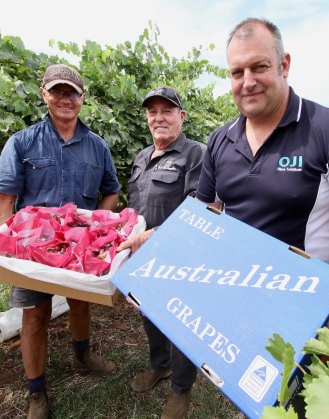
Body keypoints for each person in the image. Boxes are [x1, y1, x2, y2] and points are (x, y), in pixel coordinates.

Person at [195, 17, 329, 413]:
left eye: (259, 67)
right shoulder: (220, 141)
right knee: (255, 399)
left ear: (284, 65)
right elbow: (205, 214)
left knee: (302, 404)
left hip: (308, 317)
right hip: (240, 306)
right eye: (236, 72)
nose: (248, 81)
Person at [0, 64, 121, 419]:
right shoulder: (22, 142)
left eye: (72, 92)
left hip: (78, 249)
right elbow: (3, 199)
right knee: (34, 317)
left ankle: (82, 356)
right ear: (44, 94)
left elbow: (111, 193)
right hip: (31, 251)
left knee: (80, 305)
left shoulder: (97, 147)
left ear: (83, 99)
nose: (65, 99)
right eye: (58, 91)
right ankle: (37, 392)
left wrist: (97, 227)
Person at [117, 86, 206, 419]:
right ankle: (160, 365)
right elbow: (134, 207)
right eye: (152, 112)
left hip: (180, 258)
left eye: (167, 111)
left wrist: (154, 235)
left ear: (181, 116)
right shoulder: (141, 157)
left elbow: (201, 209)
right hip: (144, 259)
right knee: (149, 314)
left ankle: (181, 389)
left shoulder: (196, 154)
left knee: (179, 322)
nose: (159, 118)